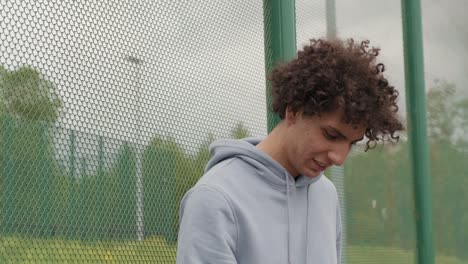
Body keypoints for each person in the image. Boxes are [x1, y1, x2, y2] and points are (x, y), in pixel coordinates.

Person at [176, 38, 404, 264]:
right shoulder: (215, 198)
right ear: (294, 110)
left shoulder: (326, 195)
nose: (339, 158)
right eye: (331, 135)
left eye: (351, 143)